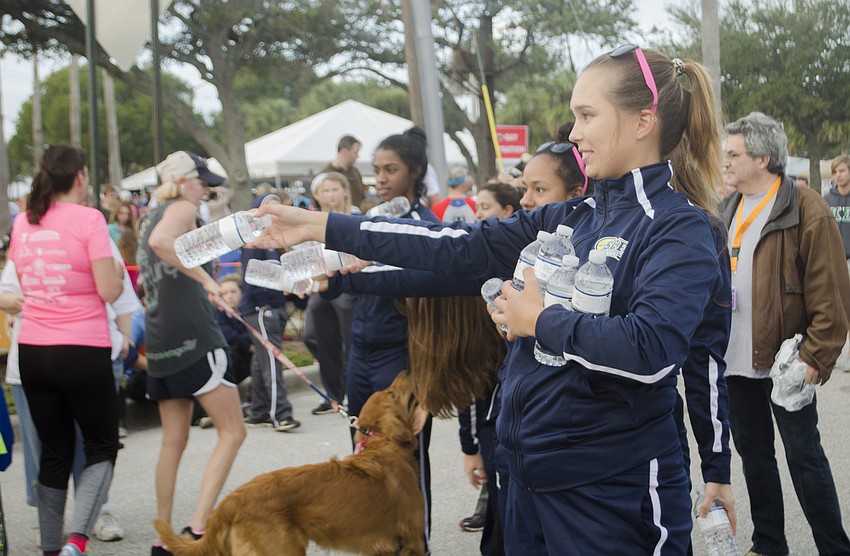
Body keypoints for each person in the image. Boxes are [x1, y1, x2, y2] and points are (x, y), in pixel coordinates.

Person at [250, 45, 730, 554]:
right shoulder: (573, 216)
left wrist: (541, 321)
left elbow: (655, 350)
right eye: (574, 116)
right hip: (526, 479)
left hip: (611, 489)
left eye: (587, 115)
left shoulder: (681, 229)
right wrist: (322, 227)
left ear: (643, 122)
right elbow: (461, 248)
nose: (574, 132)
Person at [720, 112, 850, 556]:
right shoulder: (730, 207)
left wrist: (816, 356)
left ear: (763, 157)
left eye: (734, 154)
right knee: (755, 460)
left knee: (805, 459)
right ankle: (769, 544)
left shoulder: (805, 207)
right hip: (735, 361)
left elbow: (830, 290)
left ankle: (834, 547)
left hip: (788, 363)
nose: (726, 162)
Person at [9, 145, 125, 556]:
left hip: (34, 350)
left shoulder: (25, 220)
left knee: (54, 451)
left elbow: (23, 281)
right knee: (101, 445)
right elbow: (109, 290)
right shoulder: (90, 219)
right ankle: (78, 539)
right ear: (79, 177)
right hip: (81, 346)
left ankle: (50, 548)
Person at [137, 150, 247, 556]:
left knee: (173, 440)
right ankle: (198, 528)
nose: (206, 189)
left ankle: (163, 538)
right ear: (183, 182)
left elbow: (154, 265)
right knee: (233, 431)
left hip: (162, 335)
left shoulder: (149, 212)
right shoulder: (181, 208)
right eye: (202, 181)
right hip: (194, 336)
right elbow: (162, 244)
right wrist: (206, 281)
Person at [239, 193, 300, 432]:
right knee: (272, 362)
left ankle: (259, 410)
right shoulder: (255, 239)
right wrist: (266, 306)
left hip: (267, 307)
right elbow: (252, 275)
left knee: (261, 361)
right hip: (261, 309)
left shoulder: (274, 240)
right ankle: (281, 415)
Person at [303, 172, 356, 414]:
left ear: (344, 191)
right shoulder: (313, 220)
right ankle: (333, 394)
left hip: (348, 284)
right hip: (322, 286)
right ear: (317, 195)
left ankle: (352, 391)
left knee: (351, 339)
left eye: (335, 189)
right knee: (313, 335)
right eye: (326, 190)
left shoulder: (354, 216)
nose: (331, 195)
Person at [320, 135, 366, 210]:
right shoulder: (325, 175)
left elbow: (362, 197)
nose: (357, 156)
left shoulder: (356, 173)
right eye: (355, 152)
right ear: (344, 151)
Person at [824, 153, 850, 262]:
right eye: (835, 172)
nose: (838, 175)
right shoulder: (826, 199)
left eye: (842, 171)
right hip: (832, 259)